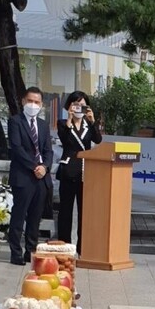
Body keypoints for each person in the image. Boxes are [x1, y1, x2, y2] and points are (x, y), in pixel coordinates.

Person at [7, 86, 53, 265]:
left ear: (41, 104)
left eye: (37, 102)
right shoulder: (15, 122)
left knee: (35, 217)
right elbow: (16, 149)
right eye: (30, 101)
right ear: (23, 101)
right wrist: (35, 166)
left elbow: (48, 151)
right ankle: (15, 253)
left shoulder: (42, 125)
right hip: (24, 176)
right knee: (19, 215)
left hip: (41, 178)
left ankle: (30, 250)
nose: (33, 105)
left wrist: (45, 167)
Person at [56, 90, 102, 254]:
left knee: (85, 211)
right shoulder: (63, 123)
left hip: (85, 172)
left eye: (82, 105)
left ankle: (83, 247)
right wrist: (69, 119)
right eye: (76, 105)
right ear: (69, 106)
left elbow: (97, 140)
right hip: (68, 170)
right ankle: (64, 245)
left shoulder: (88, 124)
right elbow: (65, 139)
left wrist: (93, 121)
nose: (79, 108)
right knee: (65, 211)